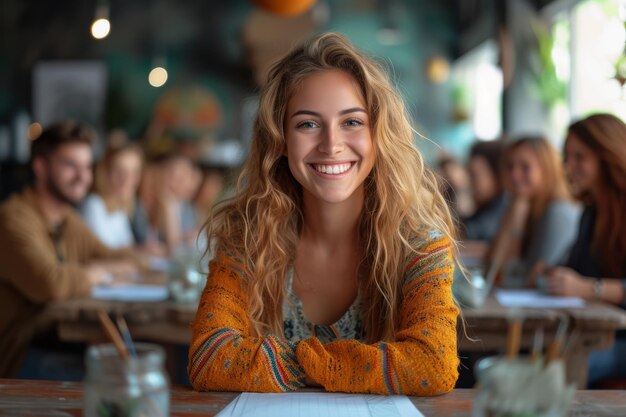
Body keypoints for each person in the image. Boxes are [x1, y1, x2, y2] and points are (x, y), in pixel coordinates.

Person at [188, 32, 459, 395]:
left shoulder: (420, 246)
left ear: (378, 134)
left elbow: (433, 364)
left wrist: (306, 365)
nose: (331, 145)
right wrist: (347, 367)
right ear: (280, 140)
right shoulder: (247, 240)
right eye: (308, 124)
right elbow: (209, 358)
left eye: (352, 122)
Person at [0, 121, 138, 377]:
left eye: (87, 166)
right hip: (16, 356)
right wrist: (98, 273)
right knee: (121, 378)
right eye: (70, 165)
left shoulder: (68, 220)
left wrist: (107, 266)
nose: (83, 176)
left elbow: (125, 257)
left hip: (59, 342)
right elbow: (50, 283)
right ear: (41, 168)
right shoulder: (13, 218)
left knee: (136, 363)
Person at [543, 114, 626, 387]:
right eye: (567, 157)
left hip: (616, 341)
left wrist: (588, 288)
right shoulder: (590, 213)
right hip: (595, 334)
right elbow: (573, 269)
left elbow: (582, 284)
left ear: (608, 155)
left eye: (580, 157)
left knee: (556, 370)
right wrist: (551, 274)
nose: (568, 166)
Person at [487, 137, 580, 287]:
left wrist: (516, 220)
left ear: (547, 170)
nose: (515, 175)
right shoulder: (522, 205)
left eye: (525, 167)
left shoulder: (557, 213)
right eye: (510, 167)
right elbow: (492, 269)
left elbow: (519, 279)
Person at [81, 142, 151, 249]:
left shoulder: (120, 207)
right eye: (119, 171)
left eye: (134, 173)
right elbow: (104, 254)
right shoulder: (93, 204)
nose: (127, 179)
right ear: (104, 172)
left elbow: (128, 248)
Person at [463, 139, 508, 242]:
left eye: (475, 176)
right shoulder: (483, 209)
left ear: (498, 176)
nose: (468, 183)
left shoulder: (502, 213)